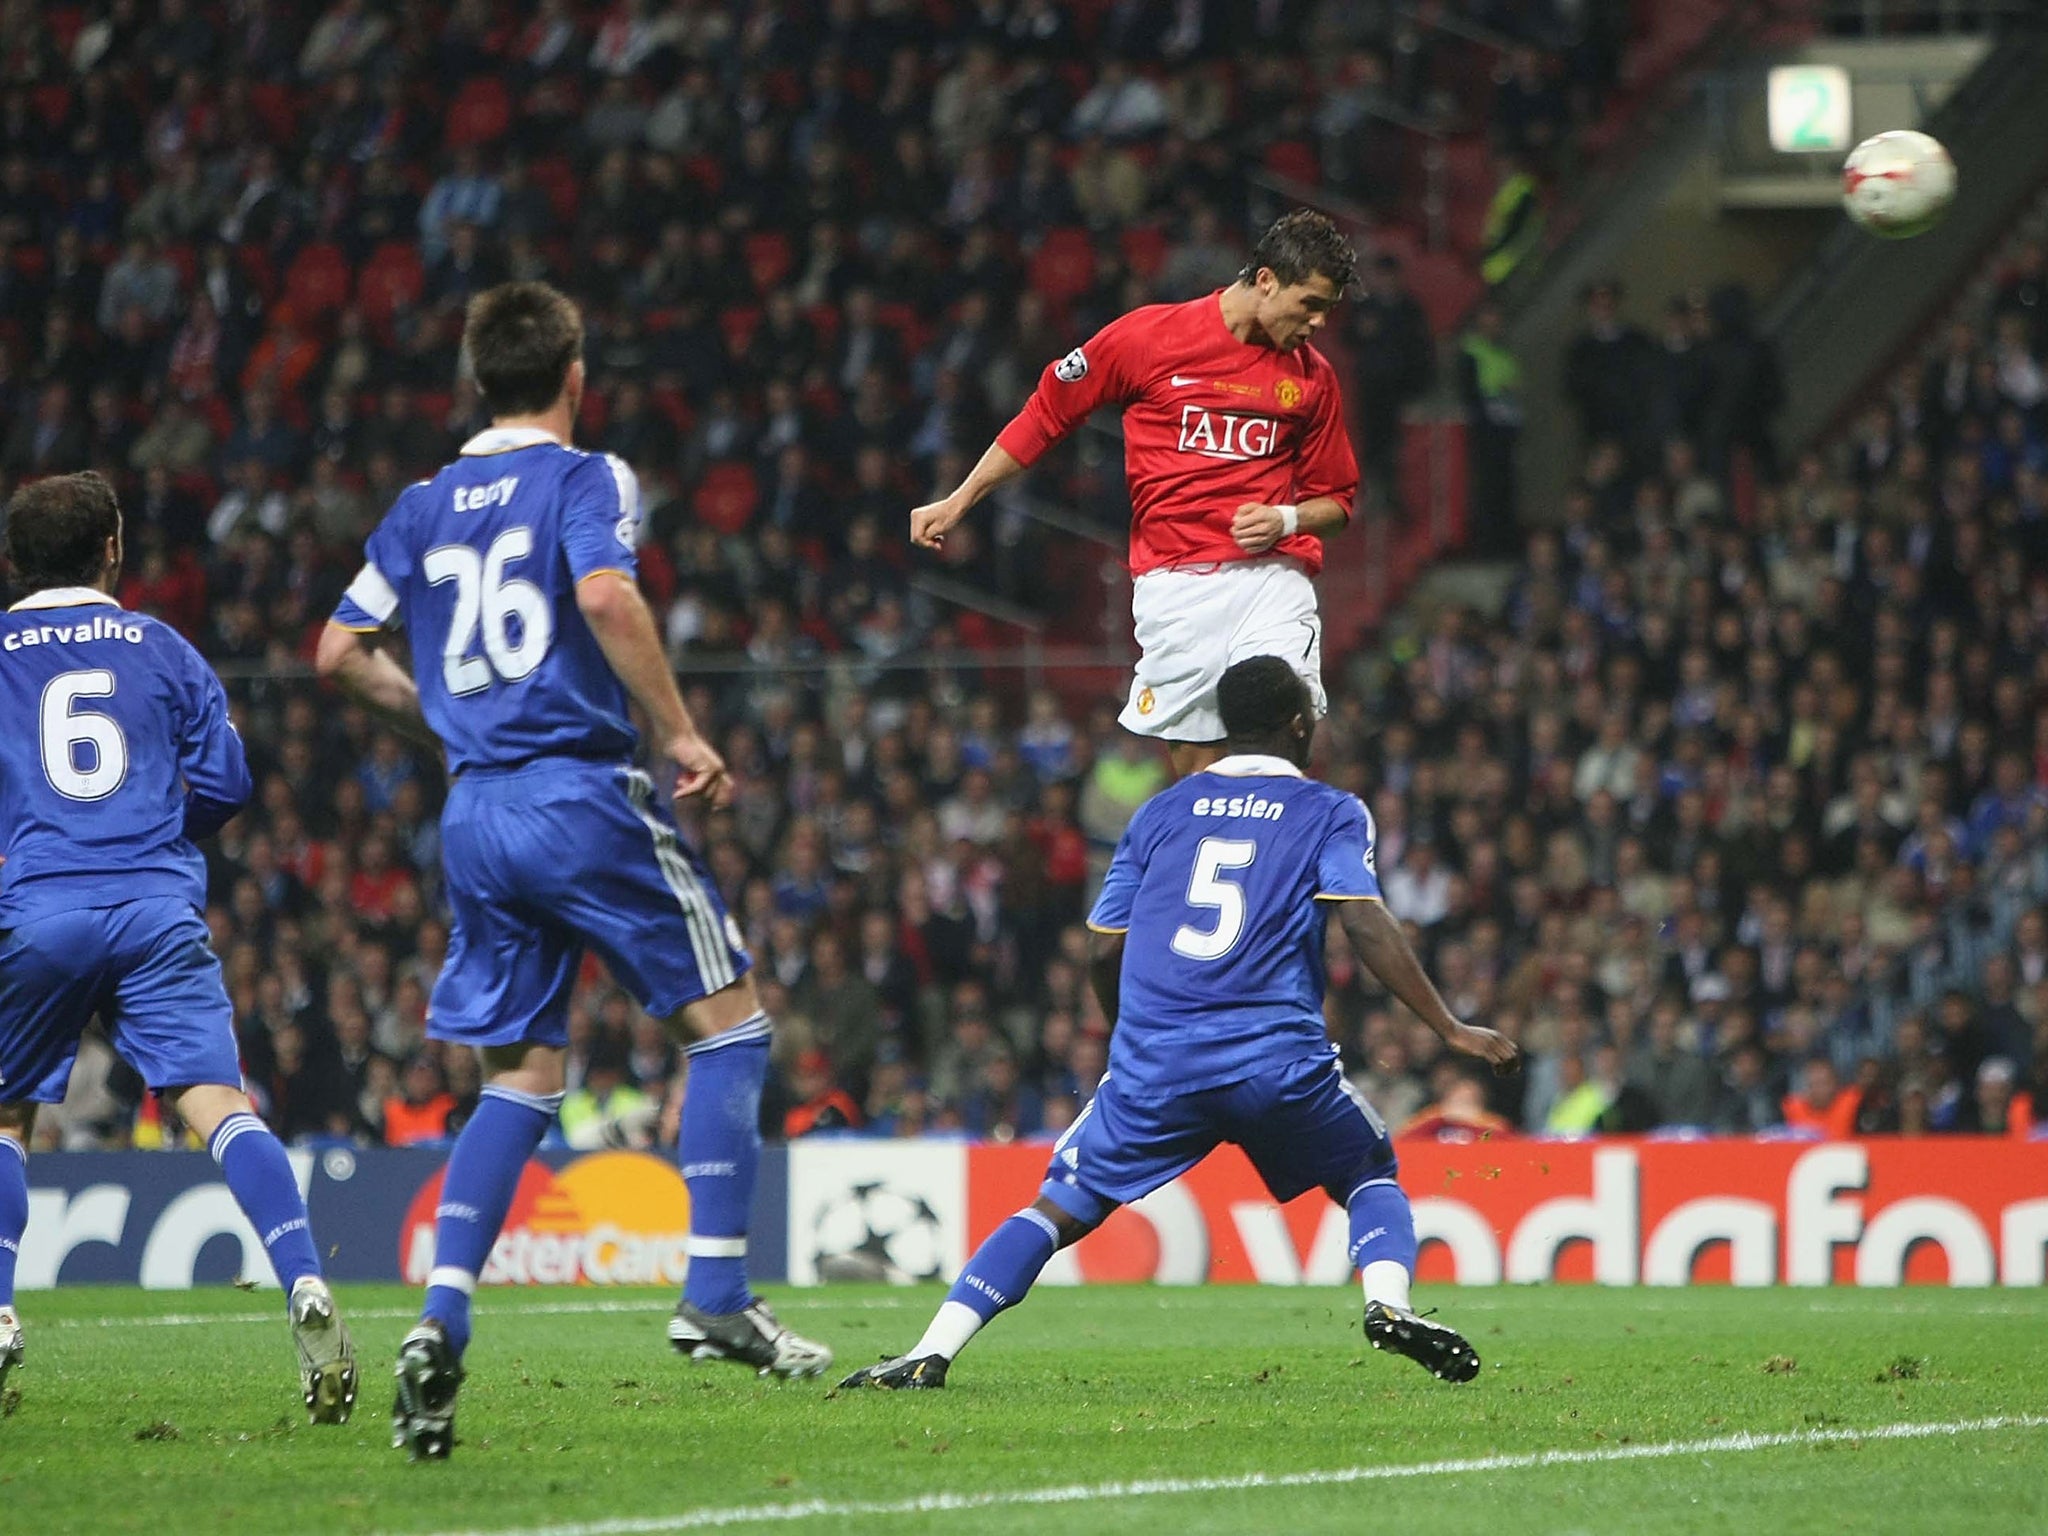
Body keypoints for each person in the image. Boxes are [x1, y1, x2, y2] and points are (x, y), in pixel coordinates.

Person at [316, 281, 829, 1461]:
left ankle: (440, 1315)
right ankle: (712, 1291)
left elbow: (338, 650)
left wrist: (444, 727)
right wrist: (684, 733)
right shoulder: (587, 477)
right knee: (731, 1026)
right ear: (574, 376)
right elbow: (603, 591)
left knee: (521, 1076)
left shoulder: (421, 503)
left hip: (474, 812)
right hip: (578, 791)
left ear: (472, 378)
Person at [839, 656, 1518, 1392]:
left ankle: (930, 1351)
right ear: (1299, 724)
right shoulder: (1331, 810)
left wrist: (1129, 1040)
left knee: (1060, 1205)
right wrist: (1450, 1028)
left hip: (1158, 1064)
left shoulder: (1161, 813)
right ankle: (1388, 1303)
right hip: (1274, 1062)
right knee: (1366, 1172)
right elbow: (1364, 919)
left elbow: (1105, 948)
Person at [0, 472, 355, 1423]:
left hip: (36, 908)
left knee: (5, 1122)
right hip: (156, 905)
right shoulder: (161, 647)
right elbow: (228, 782)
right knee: (219, 1106)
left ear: (11, 562)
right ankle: (304, 1282)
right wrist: (154, 826)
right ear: (112, 549)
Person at [909, 210, 1361, 778]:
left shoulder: (1313, 379)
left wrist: (1287, 520)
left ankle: (1280, 864)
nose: (1319, 324)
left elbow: (1339, 504)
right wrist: (957, 500)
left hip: (1271, 576)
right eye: (1311, 305)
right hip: (1174, 582)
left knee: (1282, 730)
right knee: (1197, 769)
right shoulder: (1150, 338)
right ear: (1267, 280)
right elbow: (1047, 414)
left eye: (1327, 310)